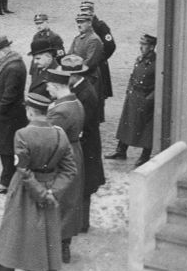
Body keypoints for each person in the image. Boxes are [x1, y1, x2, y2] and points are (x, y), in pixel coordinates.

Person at [0, 92, 76, 271]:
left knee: (11, 236)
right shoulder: (60, 134)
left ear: (30, 111)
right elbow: (70, 170)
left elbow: (23, 170)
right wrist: (52, 192)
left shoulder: (23, 134)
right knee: (42, 238)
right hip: (49, 190)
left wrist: (39, 193)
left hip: (24, 192)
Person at [44, 68, 86, 263]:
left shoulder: (61, 110)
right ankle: (63, 245)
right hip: (74, 152)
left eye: (48, 86)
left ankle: (57, 247)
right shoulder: (75, 102)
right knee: (69, 200)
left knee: (59, 200)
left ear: (55, 86)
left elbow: (48, 138)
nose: (47, 89)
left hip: (61, 157)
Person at [61, 55, 105, 232]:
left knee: (85, 184)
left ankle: (83, 223)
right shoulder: (81, 88)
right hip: (86, 142)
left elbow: (83, 123)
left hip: (86, 145)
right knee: (82, 183)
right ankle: (80, 222)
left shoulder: (85, 94)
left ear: (74, 75)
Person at [107, 34, 157, 166]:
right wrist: (129, 90)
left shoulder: (156, 63)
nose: (141, 47)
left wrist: (148, 100)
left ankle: (145, 156)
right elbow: (132, 76)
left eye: (144, 44)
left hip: (145, 98)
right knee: (126, 123)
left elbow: (159, 85)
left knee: (147, 129)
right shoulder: (139, 59)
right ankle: (121, 151)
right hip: (134, 95)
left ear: (152, 47)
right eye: (141, 44)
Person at [0, 36, 28, 195]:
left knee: (7, 149)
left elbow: (9, 95)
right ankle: (9, 179)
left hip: (9, 117)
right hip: (10, 115)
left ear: (3, 50)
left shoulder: (13, 68)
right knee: (6, 149)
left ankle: (7, 182)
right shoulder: (12, 64)